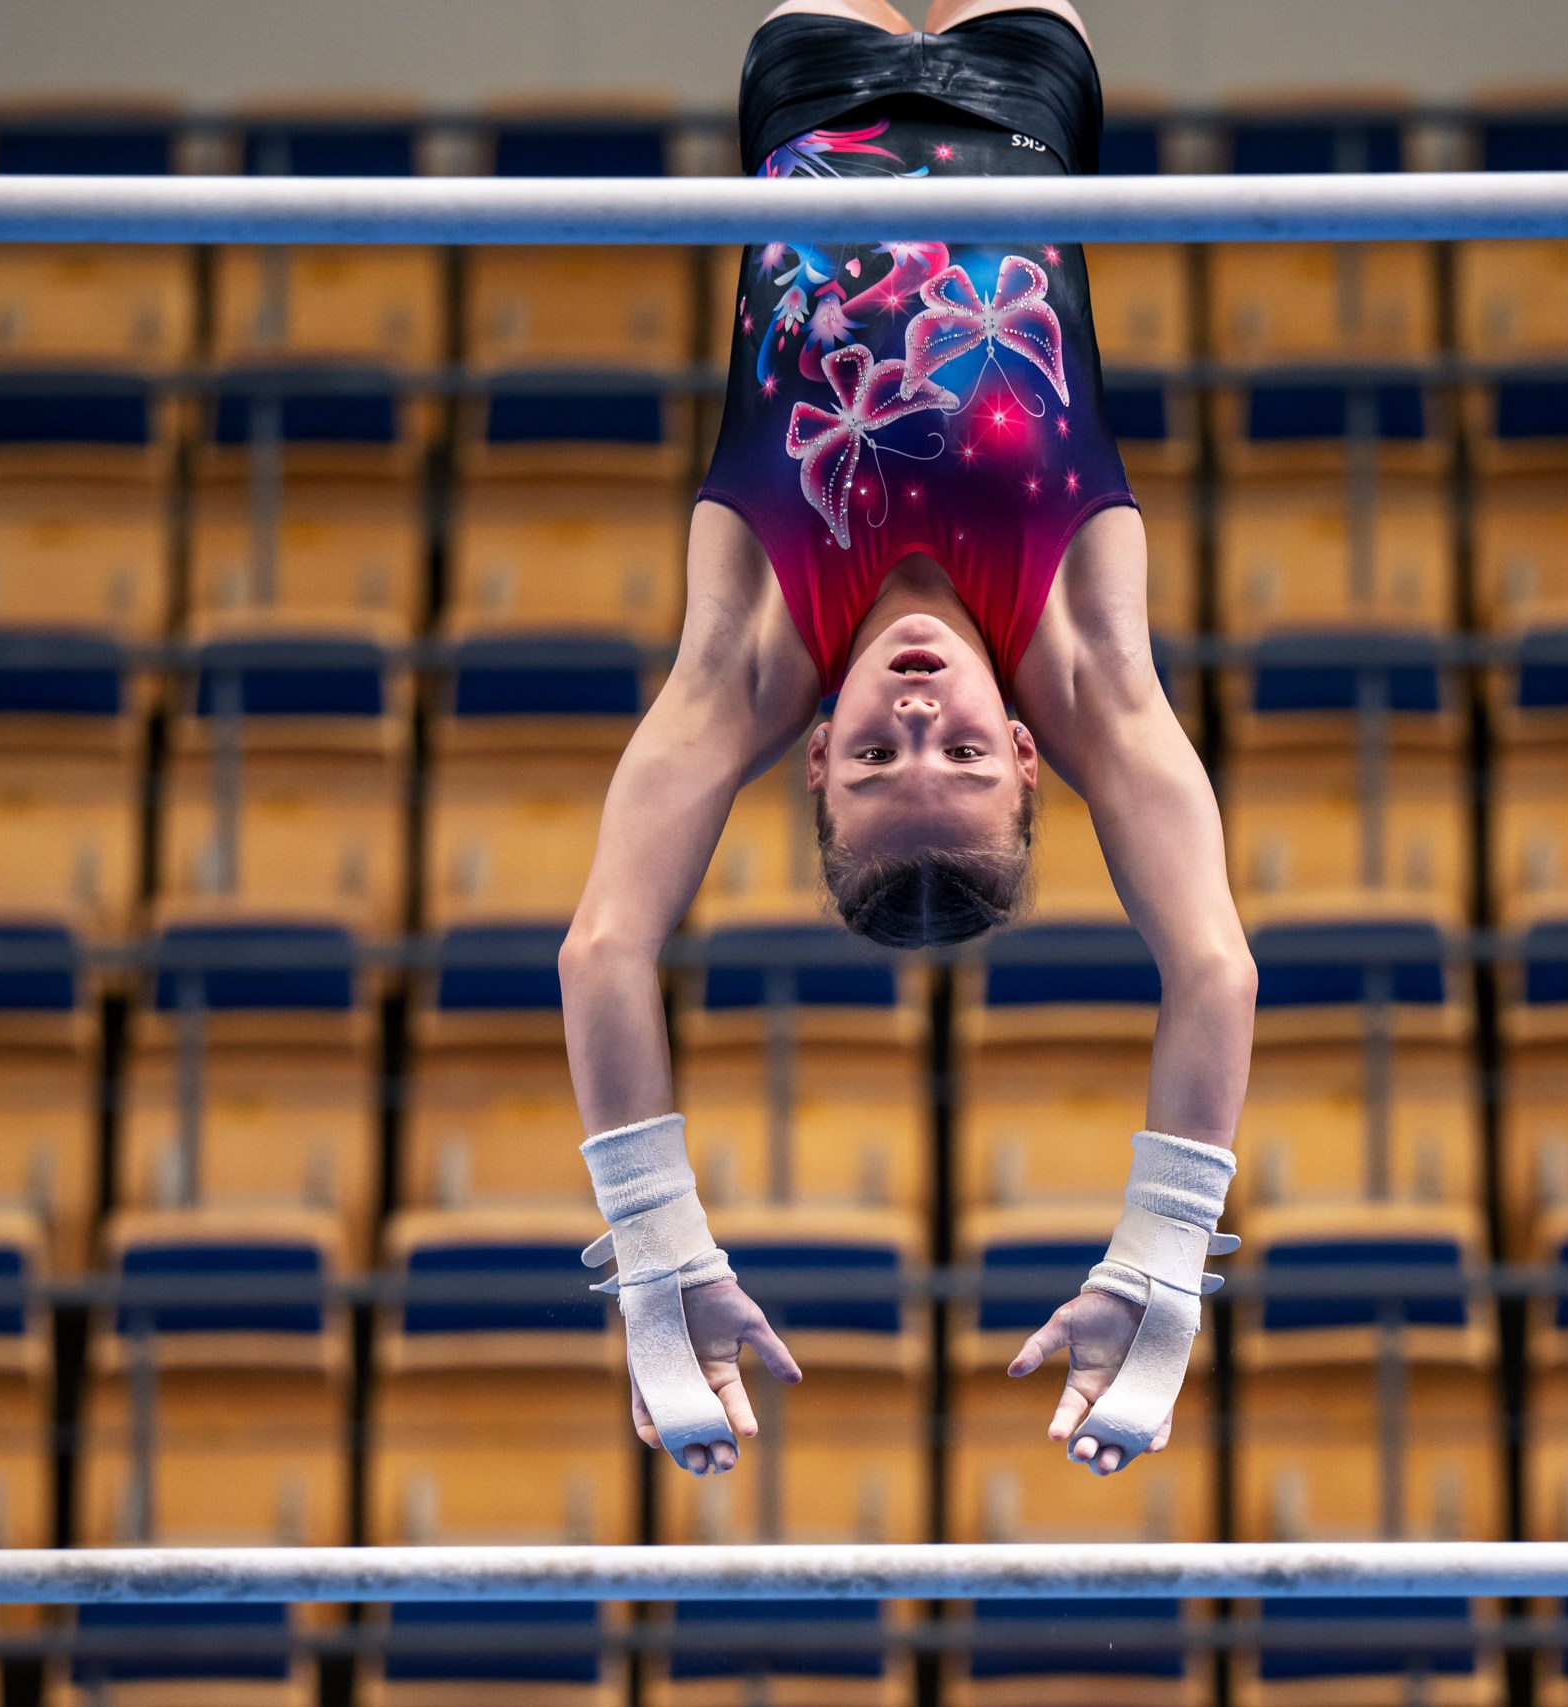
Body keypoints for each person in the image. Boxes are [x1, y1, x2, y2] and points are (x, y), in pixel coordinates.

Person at [559, 0, 1256, 1483]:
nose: (922, 718)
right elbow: (1214, 967)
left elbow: (603, 949)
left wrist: (656, 1248)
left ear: (812, 758)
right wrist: (1165, 1255)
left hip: (813, 100)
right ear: (1028, 759)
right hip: (1020, 105)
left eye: (877, 761)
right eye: (956, 759)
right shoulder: (1084, 659)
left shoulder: (751, 656)